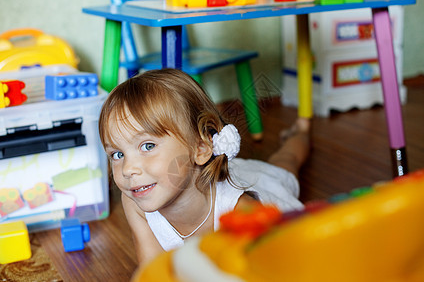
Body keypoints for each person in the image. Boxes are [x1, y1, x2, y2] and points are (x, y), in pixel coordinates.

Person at [98, 69, 310, 265]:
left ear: (200, 148)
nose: (127, 169)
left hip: (267, 195)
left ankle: (301, 133)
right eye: (117, 154)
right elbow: (152, 272)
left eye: (148, 146)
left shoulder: (243, 211)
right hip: (213, 173)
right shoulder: (134, 201)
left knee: (286, 161)